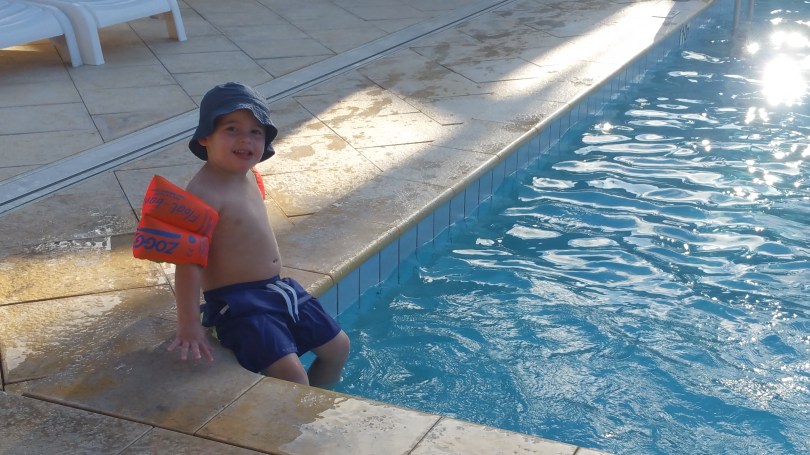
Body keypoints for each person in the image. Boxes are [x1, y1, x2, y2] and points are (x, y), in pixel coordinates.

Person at [165, 82, 350, 388]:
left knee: (338, 348)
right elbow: (187, 263)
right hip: (238, 304)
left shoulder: (248, 174)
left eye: (256, 132)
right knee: (293, 376)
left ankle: (318, 404)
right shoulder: (203, 194)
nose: (246, 140)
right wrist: (188, 324)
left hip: (276, 289)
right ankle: (296, 412)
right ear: (205, 137)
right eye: (232, 129)